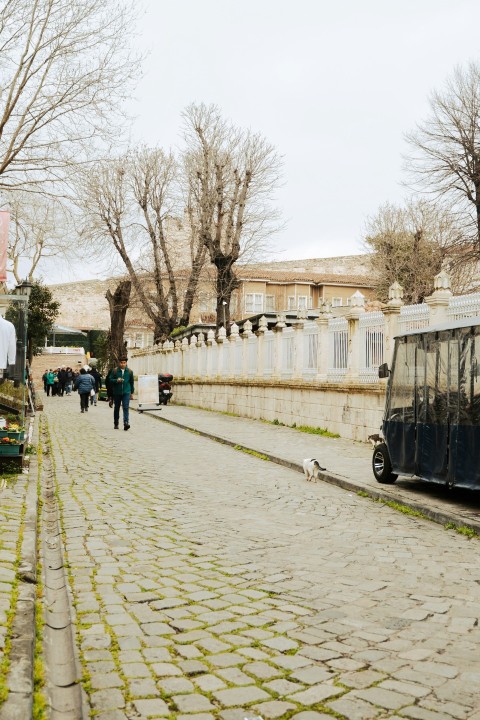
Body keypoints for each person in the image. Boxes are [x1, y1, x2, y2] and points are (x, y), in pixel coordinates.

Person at [107, 357, 134, 430]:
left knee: (125, 407)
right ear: (119, 363)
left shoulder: (130, 372)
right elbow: (110, 380)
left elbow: (131, 382)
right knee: (117, 408)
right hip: (117, 392)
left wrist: (132, 392)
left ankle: (126, 423)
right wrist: (116, 380)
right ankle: (116, 422)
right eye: (121, 363)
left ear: (126, 363)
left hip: (126, 392)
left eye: (124, 363)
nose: (123, 364)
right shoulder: (115, 371)